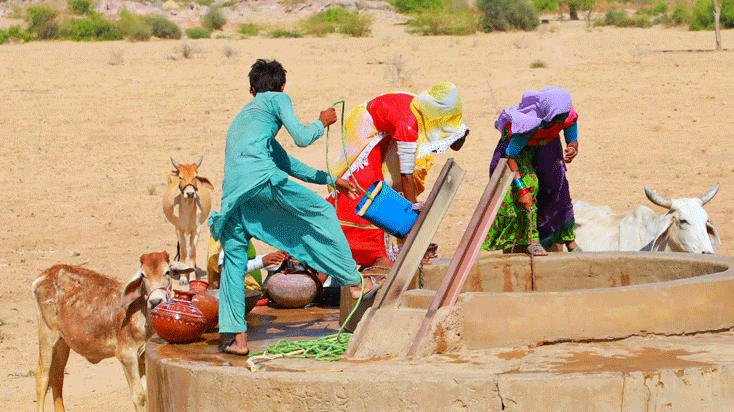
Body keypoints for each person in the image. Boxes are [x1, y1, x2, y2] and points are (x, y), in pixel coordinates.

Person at [208, 59, 370, 356]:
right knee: (321, 212)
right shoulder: (278, 98)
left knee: (232, 265)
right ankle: (353, 281)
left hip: (232, 198)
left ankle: (237, 340)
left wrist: (333, 180)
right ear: (282, 86)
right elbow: (302, 137)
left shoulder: (245, 123)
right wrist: (322, 122)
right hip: (261, 181)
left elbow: (289, 164)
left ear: (251, 89)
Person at [326, 82, 469, 268]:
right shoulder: (408, 124)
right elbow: (406, 175)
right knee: (366, 188)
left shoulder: (425, 111)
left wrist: (459, 132)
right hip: (365, 125)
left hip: (387, 130)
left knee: (394, 191)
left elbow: (456, 144)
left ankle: (394, 246)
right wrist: (413, 215)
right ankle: (375, 252)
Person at [482, 86, 579, 256]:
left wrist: (573, 148)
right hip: (519, 148)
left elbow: (572, 135)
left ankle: (568, 237)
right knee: (530, 184)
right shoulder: (529, 123)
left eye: (561, 119)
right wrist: (521, 189)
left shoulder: (564, 115)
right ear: (548, 115)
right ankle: (531, 240)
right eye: (555, 119)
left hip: (545, 140)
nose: (559, 122)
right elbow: (510, 157)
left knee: (556, 181)